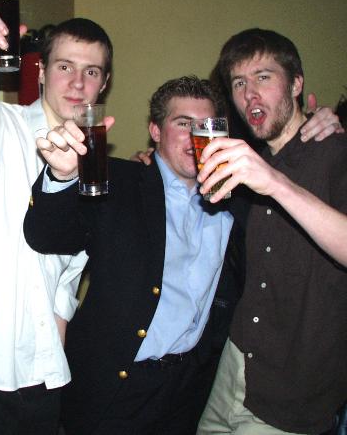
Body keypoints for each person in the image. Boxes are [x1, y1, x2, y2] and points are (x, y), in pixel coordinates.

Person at [22, 74, 242, 433]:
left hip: (186, 390)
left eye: (204, 126)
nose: (195, 136)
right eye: (182, 123)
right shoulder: (118, 181)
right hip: (116, 388)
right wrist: (61, 177)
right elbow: (48, 236)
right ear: (155, 131)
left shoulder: (234, 198)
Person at [0, 15, 111, 434]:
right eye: (65, 66)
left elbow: (70, 272)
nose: (77, 83)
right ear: (42, 72)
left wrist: (55, 350)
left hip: (41, 378)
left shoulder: (93, 162)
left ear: (104, 84)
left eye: (91, 72)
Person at [196, 28, 347, 435]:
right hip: (236, 362)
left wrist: (275, 183)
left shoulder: (336, 153)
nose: (250, 95)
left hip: (294, 388)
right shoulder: (251, 159)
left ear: (296, 84)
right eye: (239, 83)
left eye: (263, 77)